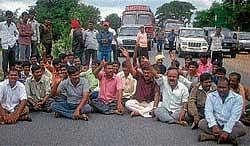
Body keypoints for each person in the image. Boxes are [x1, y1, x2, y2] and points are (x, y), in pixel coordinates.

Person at [198, 77, 246, 145]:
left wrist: (226, 131)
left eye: (224, 88)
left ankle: (211, 137)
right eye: (219, 87)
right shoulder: (211, 96)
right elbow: (208, 112)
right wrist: (213, 125)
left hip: (230, 123)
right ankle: (227, 138)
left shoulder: (237, 98)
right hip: (216, 122)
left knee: (242, 129)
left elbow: (234, 116)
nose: (221, 90)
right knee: (202, 123)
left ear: (229, 87)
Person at [121, 49, 160, 118]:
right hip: (139, 102)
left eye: (148, 73)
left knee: (159, 104)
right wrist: (127, 57)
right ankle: (147, 112)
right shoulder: (140, 77)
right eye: (145, 73)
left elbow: (157, 95)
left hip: (149, 103)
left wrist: (154, 107)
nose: (146, 74)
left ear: (152, 73)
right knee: (128, 103)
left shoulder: (156, 81)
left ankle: (139, 112)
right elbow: (130, 69)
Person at [0, 11, 19, 78]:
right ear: (6, 17)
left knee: (12, 61)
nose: (9, 18)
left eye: (11, 17)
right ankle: (5, 75)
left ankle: (12, 74)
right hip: (5, 45)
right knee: (5, 61)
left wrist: (15, 39)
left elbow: (17, 33)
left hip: (12, 45)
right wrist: (1, 38)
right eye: (8, 17)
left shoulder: (13, 24)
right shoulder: (1, 24)